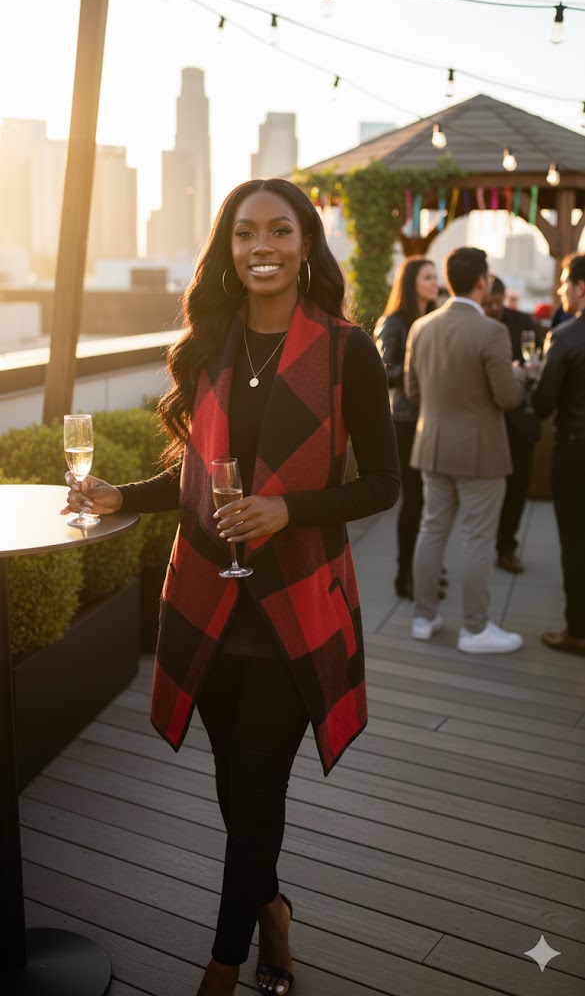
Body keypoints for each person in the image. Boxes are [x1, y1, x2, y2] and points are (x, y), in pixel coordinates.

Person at [62, 178, 400, 996]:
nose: (261, 247)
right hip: (207, 600)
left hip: (295, 607)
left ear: (305, 243)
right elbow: (197, 476)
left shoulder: (345, 349)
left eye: (279, 230)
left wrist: (287, 509)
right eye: (245, 233)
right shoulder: (211, 341)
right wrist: (119, 496)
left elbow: (383, 485)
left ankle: (222, 963)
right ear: (227, 248)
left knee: (256, 785)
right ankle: (273, 910)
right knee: (235, 789)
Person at [404, 247, 526, 654]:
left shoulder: (421, 326)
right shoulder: (492, 331)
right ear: (481, 282)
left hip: (433, 445)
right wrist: (520, 376)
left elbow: (412, 391)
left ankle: (423, 618)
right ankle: (475, 629)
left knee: (431, 529)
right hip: (480, 453)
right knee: (478, 538)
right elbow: (508, 397)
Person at [373, 256, 439, 599]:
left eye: (436, 277)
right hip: (405, 420)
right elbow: (381, 372)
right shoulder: (394, 321)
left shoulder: (435, 319)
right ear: (411, 281)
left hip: (437, 417)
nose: (435, 282)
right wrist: (417, 369)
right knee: (414, 500)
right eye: (428, 277)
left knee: (433, 500)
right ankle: (405, 575)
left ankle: (426, 569)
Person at [532, 252, 585, 655]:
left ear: (581, 288)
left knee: (575, 539)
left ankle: (577, 630)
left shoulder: (566, 337)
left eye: (565, 282)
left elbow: (544, 404)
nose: (561, 290)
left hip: (574, 449)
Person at [484, 276, 543, 574]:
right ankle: (486, 545)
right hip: (486, 422)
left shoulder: (524, 322)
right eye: (489, 304)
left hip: (519, 421)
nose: (494, 309)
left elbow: (538, 359)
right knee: (486, 493)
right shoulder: (478, 325)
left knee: (518, 487)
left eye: (498, 303)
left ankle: (506, 547)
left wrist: (529, 370)